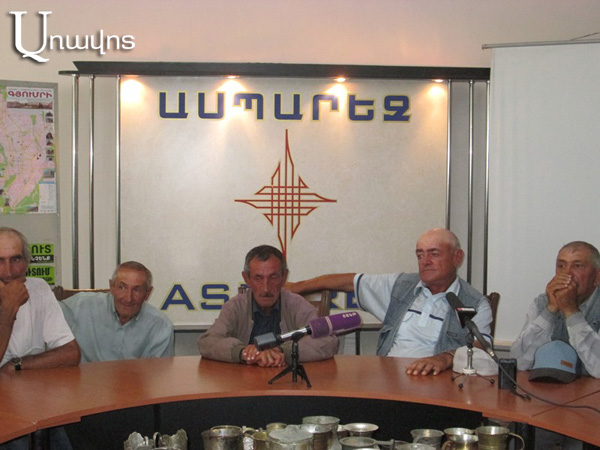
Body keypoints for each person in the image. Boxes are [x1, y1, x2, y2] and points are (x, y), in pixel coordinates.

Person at [286, 228, 493, 376]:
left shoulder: (474, 303)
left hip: (437, 384)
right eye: (420, 255)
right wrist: (297, 286)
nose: (425, 262)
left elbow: (481, 347)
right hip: (389, 379)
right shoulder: (401, 286)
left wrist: (446, 358)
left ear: (457, 258)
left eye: (434, 254)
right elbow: (350, 281)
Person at [0, 227, 80, 450]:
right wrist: (8, 308)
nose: (8, 271)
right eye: (0, 261)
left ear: (26, 262)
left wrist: (16, 364)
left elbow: (71, 353)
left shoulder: (38, 288)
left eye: (16, 259)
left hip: (31, 400)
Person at [198, 245, 339, 366]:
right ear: (247, 279)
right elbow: (208, 342)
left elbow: (328, 340)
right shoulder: (236, 306)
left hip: (287, 383)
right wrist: (243, 352)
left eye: (273, 277)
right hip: (243, 382)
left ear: (284, 277)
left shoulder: (296, 304)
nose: (266, 288)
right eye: (258, 278)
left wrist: (284, 351)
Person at [510, 241, 600, 378]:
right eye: (561, 266)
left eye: (577, 266)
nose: (567, 274)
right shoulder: (542, 302)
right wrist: (550, 310)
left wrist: (572, 312)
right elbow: (519, 362)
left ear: (597, 276)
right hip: (549, 386)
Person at [60, 261, 174, 362]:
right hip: (82, 379)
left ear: (147, 293)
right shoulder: (80, 306)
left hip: (134, 380)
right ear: (111, 286)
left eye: (137, 290)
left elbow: (158, 374)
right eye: (122, 287)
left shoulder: (160, 325)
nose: (128, 298)